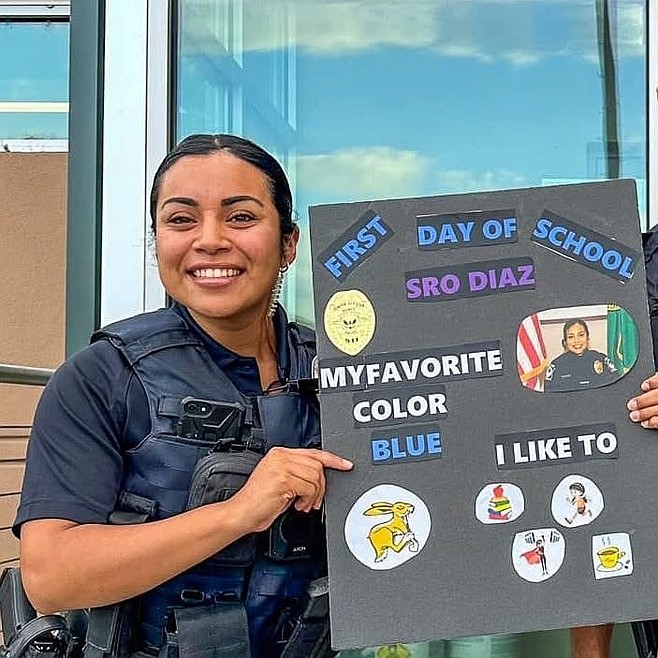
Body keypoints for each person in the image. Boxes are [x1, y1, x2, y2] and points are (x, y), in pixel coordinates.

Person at [12, 134, 353, 658]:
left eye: (241, 217)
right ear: (157, 242)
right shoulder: (102, 378)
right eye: (181, 219)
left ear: (289, 243)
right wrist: (238, 513)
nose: (210, 240)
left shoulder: (345, 372)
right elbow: (52, 578)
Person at [544, 319, 618, 393]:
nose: (576, 341)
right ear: (565, 342)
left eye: (581, 335)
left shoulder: (602, 359)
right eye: (571, 337)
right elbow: (550, 395)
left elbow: (616, 388)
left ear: (588, 338)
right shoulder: (556, 366)